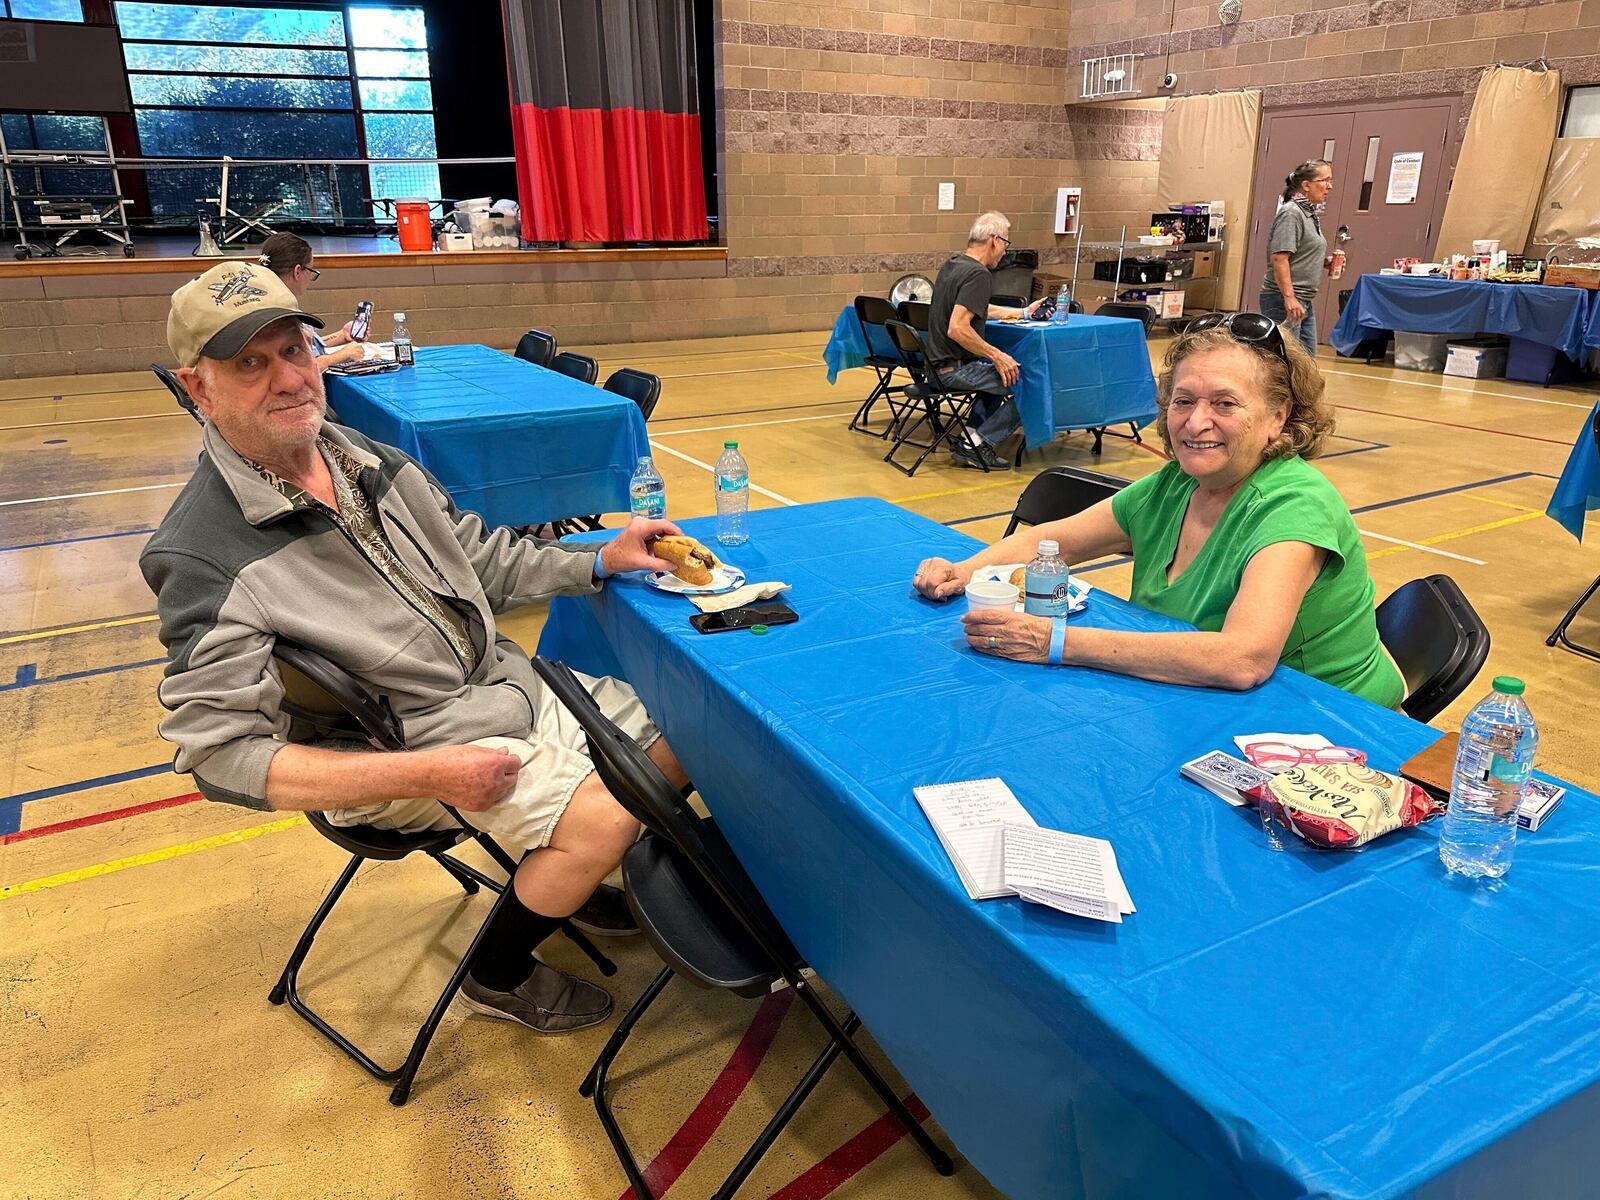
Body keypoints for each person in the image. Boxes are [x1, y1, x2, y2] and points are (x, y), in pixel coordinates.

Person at [143, 260, 689, 1034]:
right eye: (249, 364)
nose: (288, 380)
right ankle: (498, 973)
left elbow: (484, 561)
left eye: (295, 351)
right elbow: (219, 754)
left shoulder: (366, 458)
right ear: (198, 388)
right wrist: (431, 772)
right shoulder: (203, 552)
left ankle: (570, 870)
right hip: (403, 749)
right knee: (607, 815)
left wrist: (600, 558)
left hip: (497, 691)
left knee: (698, 730)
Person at [912, 313, 1405, 708]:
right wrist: (961, 571)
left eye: (1226, 404)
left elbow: (1243, 658)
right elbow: (1048, 542)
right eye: (1183, 400)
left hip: (1331, 723)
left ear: (1279, 417)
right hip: (1215, 703)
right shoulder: (1176, 485)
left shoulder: (1295, 505)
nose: (1196, 421)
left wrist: (1054, 642)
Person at [927, 211, 1050, 471]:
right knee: (1029, 384)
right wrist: (998, 355)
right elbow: (957, 328)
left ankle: (970, 440)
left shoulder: (953, 265)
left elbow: (979, 307)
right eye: (1006, 243)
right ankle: (979, 441)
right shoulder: (979, 274)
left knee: (1003, 374)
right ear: (994, 240)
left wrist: (1024, 313)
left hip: (934, 367)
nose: (1005, 251)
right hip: (954, 370)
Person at [257, 232, 366, 371]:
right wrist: (344, 354)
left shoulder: (267, 301)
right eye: (310, 270)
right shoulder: (280, 314)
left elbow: (306, 346)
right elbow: (305, 366)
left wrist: (341, 336)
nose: (310, 278)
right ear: (297, 271)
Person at [1258, 160, 1334, 357]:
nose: (1329, 186)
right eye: (1324, 180)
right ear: (1306, 185)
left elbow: (1299, 254)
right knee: (1285, 361)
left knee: (1305, 361)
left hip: (1303, 299)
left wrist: (1323, 262)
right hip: (1284, 299)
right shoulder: (1292, 213)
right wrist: (1289, 298)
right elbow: (1279, 258)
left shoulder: (1308, 214)